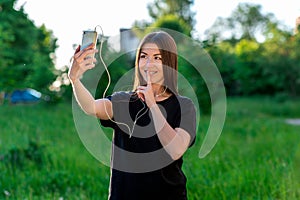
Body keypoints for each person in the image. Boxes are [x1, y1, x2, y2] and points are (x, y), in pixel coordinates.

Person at [68, 30, 196, 200]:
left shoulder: (184, 106)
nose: (149, 64)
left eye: (157, 58)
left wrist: (152, 104)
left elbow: (176, 149)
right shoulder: (124, 102)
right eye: (144, 56)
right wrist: (74, 79)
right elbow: (91, 107)